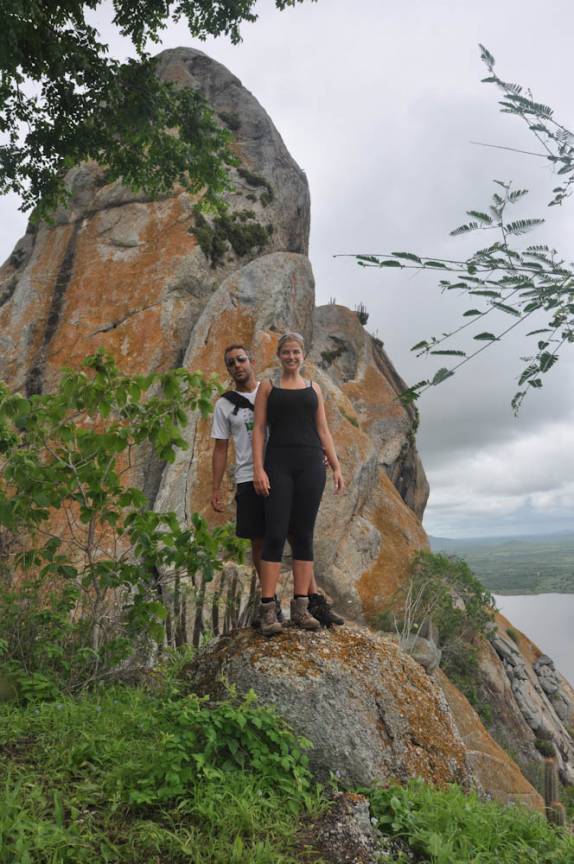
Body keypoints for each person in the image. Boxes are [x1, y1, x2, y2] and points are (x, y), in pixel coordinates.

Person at [211, 343, 343, 628]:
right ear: (227, 369)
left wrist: (320, 453)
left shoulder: (271, 389)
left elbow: (305, 423)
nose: (237, 366)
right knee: (262, 540)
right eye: (231, 363)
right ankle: (271, 608)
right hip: (249, 476)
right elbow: (220, 448)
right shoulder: (225, 405)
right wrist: (216, 486)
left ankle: (312, 602)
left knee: (298, 534)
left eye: (241, 359)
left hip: (283, 468)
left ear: (251, 360)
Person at [252, 332, 345, 636]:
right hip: (277, 464)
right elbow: (259, 429)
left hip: (310, 465)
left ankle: (301, 609)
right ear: (279, 355)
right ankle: (268, 610)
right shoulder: (268, 387)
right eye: (286, 352)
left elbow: (323, 430)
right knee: (276, 533)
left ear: (303, 356)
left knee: (304, 534)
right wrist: (258, 468)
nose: (291, 357)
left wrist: (336, 466)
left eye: (296, 352)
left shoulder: (313, 388)